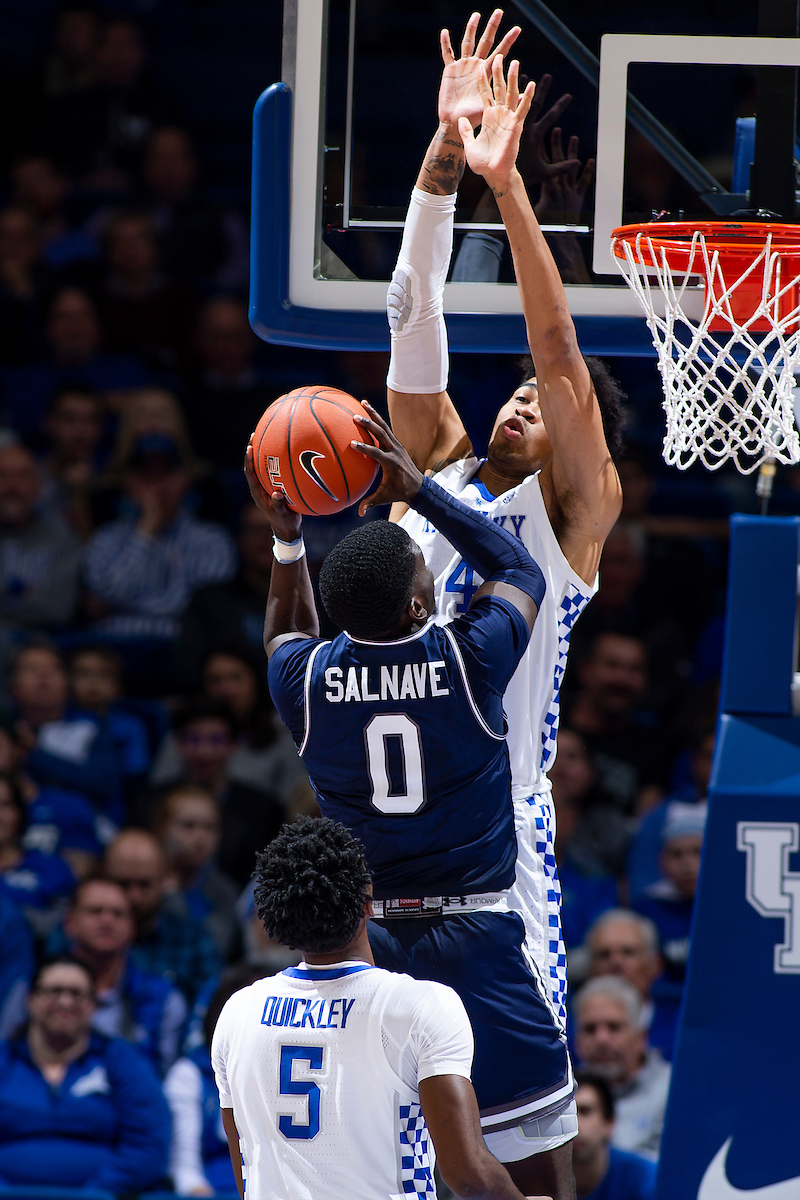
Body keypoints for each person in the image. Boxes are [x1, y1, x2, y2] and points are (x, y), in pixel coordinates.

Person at [248, 394, 575, 1199]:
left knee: (400, 1181)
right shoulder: (472, 661)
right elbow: (521, 571)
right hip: (481, 940)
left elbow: (284, 633)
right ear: (421, 604)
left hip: (374, 954)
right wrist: (425, 491)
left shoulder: (308, 684)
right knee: (535, 1180)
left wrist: (290, 538)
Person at [212, 816, 543, 1200]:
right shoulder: (417, 1006)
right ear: (368, 900)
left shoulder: (237, 1013)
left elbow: (248, 1169)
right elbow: (467, 1175)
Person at [0, 955, 170, 1192]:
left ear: (93, 1005)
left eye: (78, 994)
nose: (66, 1002)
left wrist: (97, 1192)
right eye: (54, 991)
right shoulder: (4, 1059)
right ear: (30, 1000)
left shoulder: (121, 1060)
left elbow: (149, 1143)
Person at [62, 876, 187, 1075]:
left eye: (118, 914)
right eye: (95, 911)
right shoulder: (40, 990)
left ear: (132, 927)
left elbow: (168, 1081)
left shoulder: (164, 999)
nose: (107, 920)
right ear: (70, 922)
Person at [104, 828, 221, 1003]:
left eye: (144, 884)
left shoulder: (192, 939)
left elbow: (211, 1004)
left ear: (164, 878)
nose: (134, 896)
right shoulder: (78, 933)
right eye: (123, 884)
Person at [573, 976, 671, 1162]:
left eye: (614, 1027)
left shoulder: (672, 1089)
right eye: (590, 1029)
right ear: (577, 1041)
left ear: (640, 1037)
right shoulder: (561, 1096)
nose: (601, 1040)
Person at [154, 784, 240, 961]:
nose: (200, 837)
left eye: (209, 827)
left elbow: (216, 947)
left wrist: (172, 897)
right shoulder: (143, 880)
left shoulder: (223, 891)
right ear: (162, 829)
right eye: (188, 826)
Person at [572, 1071, 656, 1199]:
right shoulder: (537, 1180)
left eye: (585, 1111)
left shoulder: (644, 1177)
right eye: (567, 1114)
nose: (575, 1124)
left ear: (609, 1123)